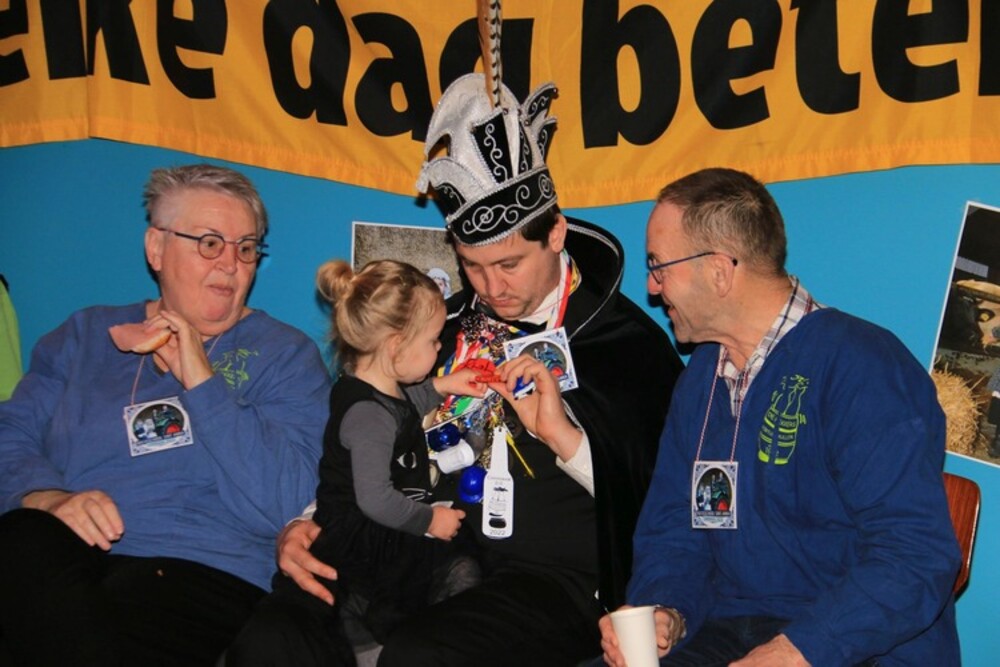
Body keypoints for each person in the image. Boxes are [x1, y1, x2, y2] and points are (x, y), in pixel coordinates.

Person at [257, 73, 684, 666]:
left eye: (508, 264)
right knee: (274, 636)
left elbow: (658, 497)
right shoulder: (440, 328)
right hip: (424, 547)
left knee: (420, 655)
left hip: (552, 580)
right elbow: (372, 430)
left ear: (556, 233)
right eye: (472, 266)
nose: (491, 287)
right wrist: (306, 522)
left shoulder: (625, 345)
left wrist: (563, 437)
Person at [596, 167, 961, 666]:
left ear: (719, 271)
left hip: (856, 646)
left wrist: (798, 650)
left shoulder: (864, 366)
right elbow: (673, 530)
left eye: (659, 266)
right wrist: (666, 611)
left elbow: (915, 555)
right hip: (730, 631)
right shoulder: (702, 377)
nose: (652, 287)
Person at [0, 164, 331, 666]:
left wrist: (202, 382)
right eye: (210, 243)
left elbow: (289, 499)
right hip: (66, 562)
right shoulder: (84, 335)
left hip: (199, 576)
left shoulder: (286, 356)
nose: (231, 264)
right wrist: (47, 497)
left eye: (246, 248)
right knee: (23, 537)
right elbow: (11, 434)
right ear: (156, 248)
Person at [228, 259, 487, 666]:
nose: (440, 348)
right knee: (448, 569)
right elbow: (375, 498)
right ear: (396, 346)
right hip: (366, 533)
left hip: (374, 526)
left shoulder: (373, 390)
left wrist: (443, 385)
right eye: (433, 341)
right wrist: (429, 520)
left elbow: (404, 405)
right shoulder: (368, 417)